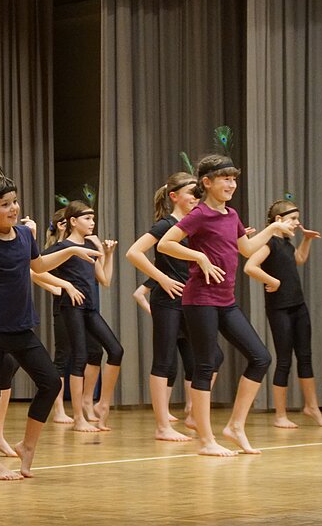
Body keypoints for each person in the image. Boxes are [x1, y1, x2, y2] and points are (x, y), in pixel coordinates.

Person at [0, 173, 100, 479]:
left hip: (21, 328)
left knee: (50, 382)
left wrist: (69, 250)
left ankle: (27, 446)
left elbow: (38, 266)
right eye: (5, 204)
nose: (13, 208)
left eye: (14, 201)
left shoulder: (25, 237)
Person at [157, 154, 293, 456]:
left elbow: (244, 249)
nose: (232, 184)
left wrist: (271, 230)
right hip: (199, 300)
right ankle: (206, 440)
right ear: (207, 183)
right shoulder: (200, 214)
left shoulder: (232, 215)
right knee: (205, 366)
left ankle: (235, 426)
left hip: (225, 301)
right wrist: (199, 257)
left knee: (260, 358)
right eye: (225, 178)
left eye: (234, 179)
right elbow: (165, 243)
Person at [125, 171, 222, 441]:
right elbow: (133, 252)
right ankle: (162, 426)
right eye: (192, 192)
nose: (196, 198)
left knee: (213, 356)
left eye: (197, 193)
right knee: (164, 361)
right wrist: (161, 279)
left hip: (193, 300)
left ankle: (193, 412)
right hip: (167, 300)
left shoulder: (196, 224)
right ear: (174, 196)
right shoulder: (166, 225)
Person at [244, 199, 322, 428]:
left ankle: (312, 407)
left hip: (298, 306)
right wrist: (271, 280)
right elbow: (250, 266)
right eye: (293, 219)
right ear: (279, 220)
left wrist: (307, 240)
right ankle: (280, 415)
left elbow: (299, 260)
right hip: (279, 308)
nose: (297, 223)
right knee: (284, 360)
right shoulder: (269, 242)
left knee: (305, 356)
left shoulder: (287, 243)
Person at [45, 201, 121, 432]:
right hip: (71, 307)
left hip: (89, 308)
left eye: (93, 218)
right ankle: (78, 417)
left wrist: (107, 254)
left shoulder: (89, 245)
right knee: (78, 357)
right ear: (73, 221)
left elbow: (105, 280)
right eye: (87, 219)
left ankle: (100, 404)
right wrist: (64, 285)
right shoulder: (62, 247)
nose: (92, 223)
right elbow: (34, 268)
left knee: (115, 350)